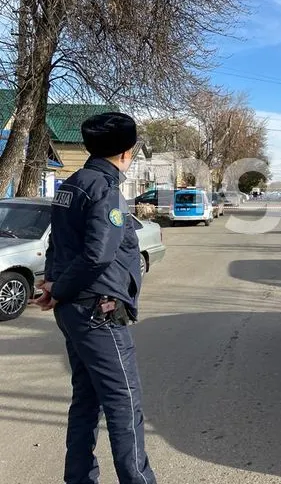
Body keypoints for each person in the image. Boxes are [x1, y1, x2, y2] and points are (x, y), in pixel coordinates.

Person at [35, 112, 157, 484]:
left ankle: (79, 478)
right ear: (127, 151)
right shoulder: (105, 189)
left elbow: (58, 243)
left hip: (76, 310)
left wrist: (55, 284)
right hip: (98, 312)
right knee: (124, 403)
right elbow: (98, 255)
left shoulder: (72, 184)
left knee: (86, 401)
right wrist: (61, 287)